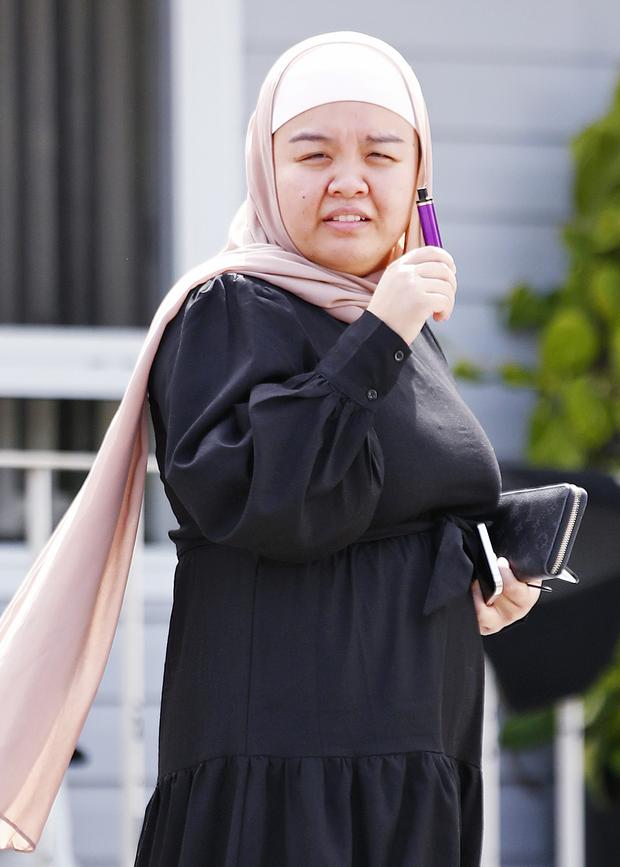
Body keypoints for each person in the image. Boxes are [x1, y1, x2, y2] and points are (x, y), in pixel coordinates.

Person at [0, 30, 541, 866]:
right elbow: (273, 498)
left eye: (382, 154)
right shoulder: (228, 308)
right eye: (313, 153)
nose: (349, 180)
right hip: (288, 782)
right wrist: (380, 332)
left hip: (415, 758)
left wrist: (485, 572)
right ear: (266, 166)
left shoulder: (396, 329)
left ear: (418, 180)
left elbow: (391, 497)